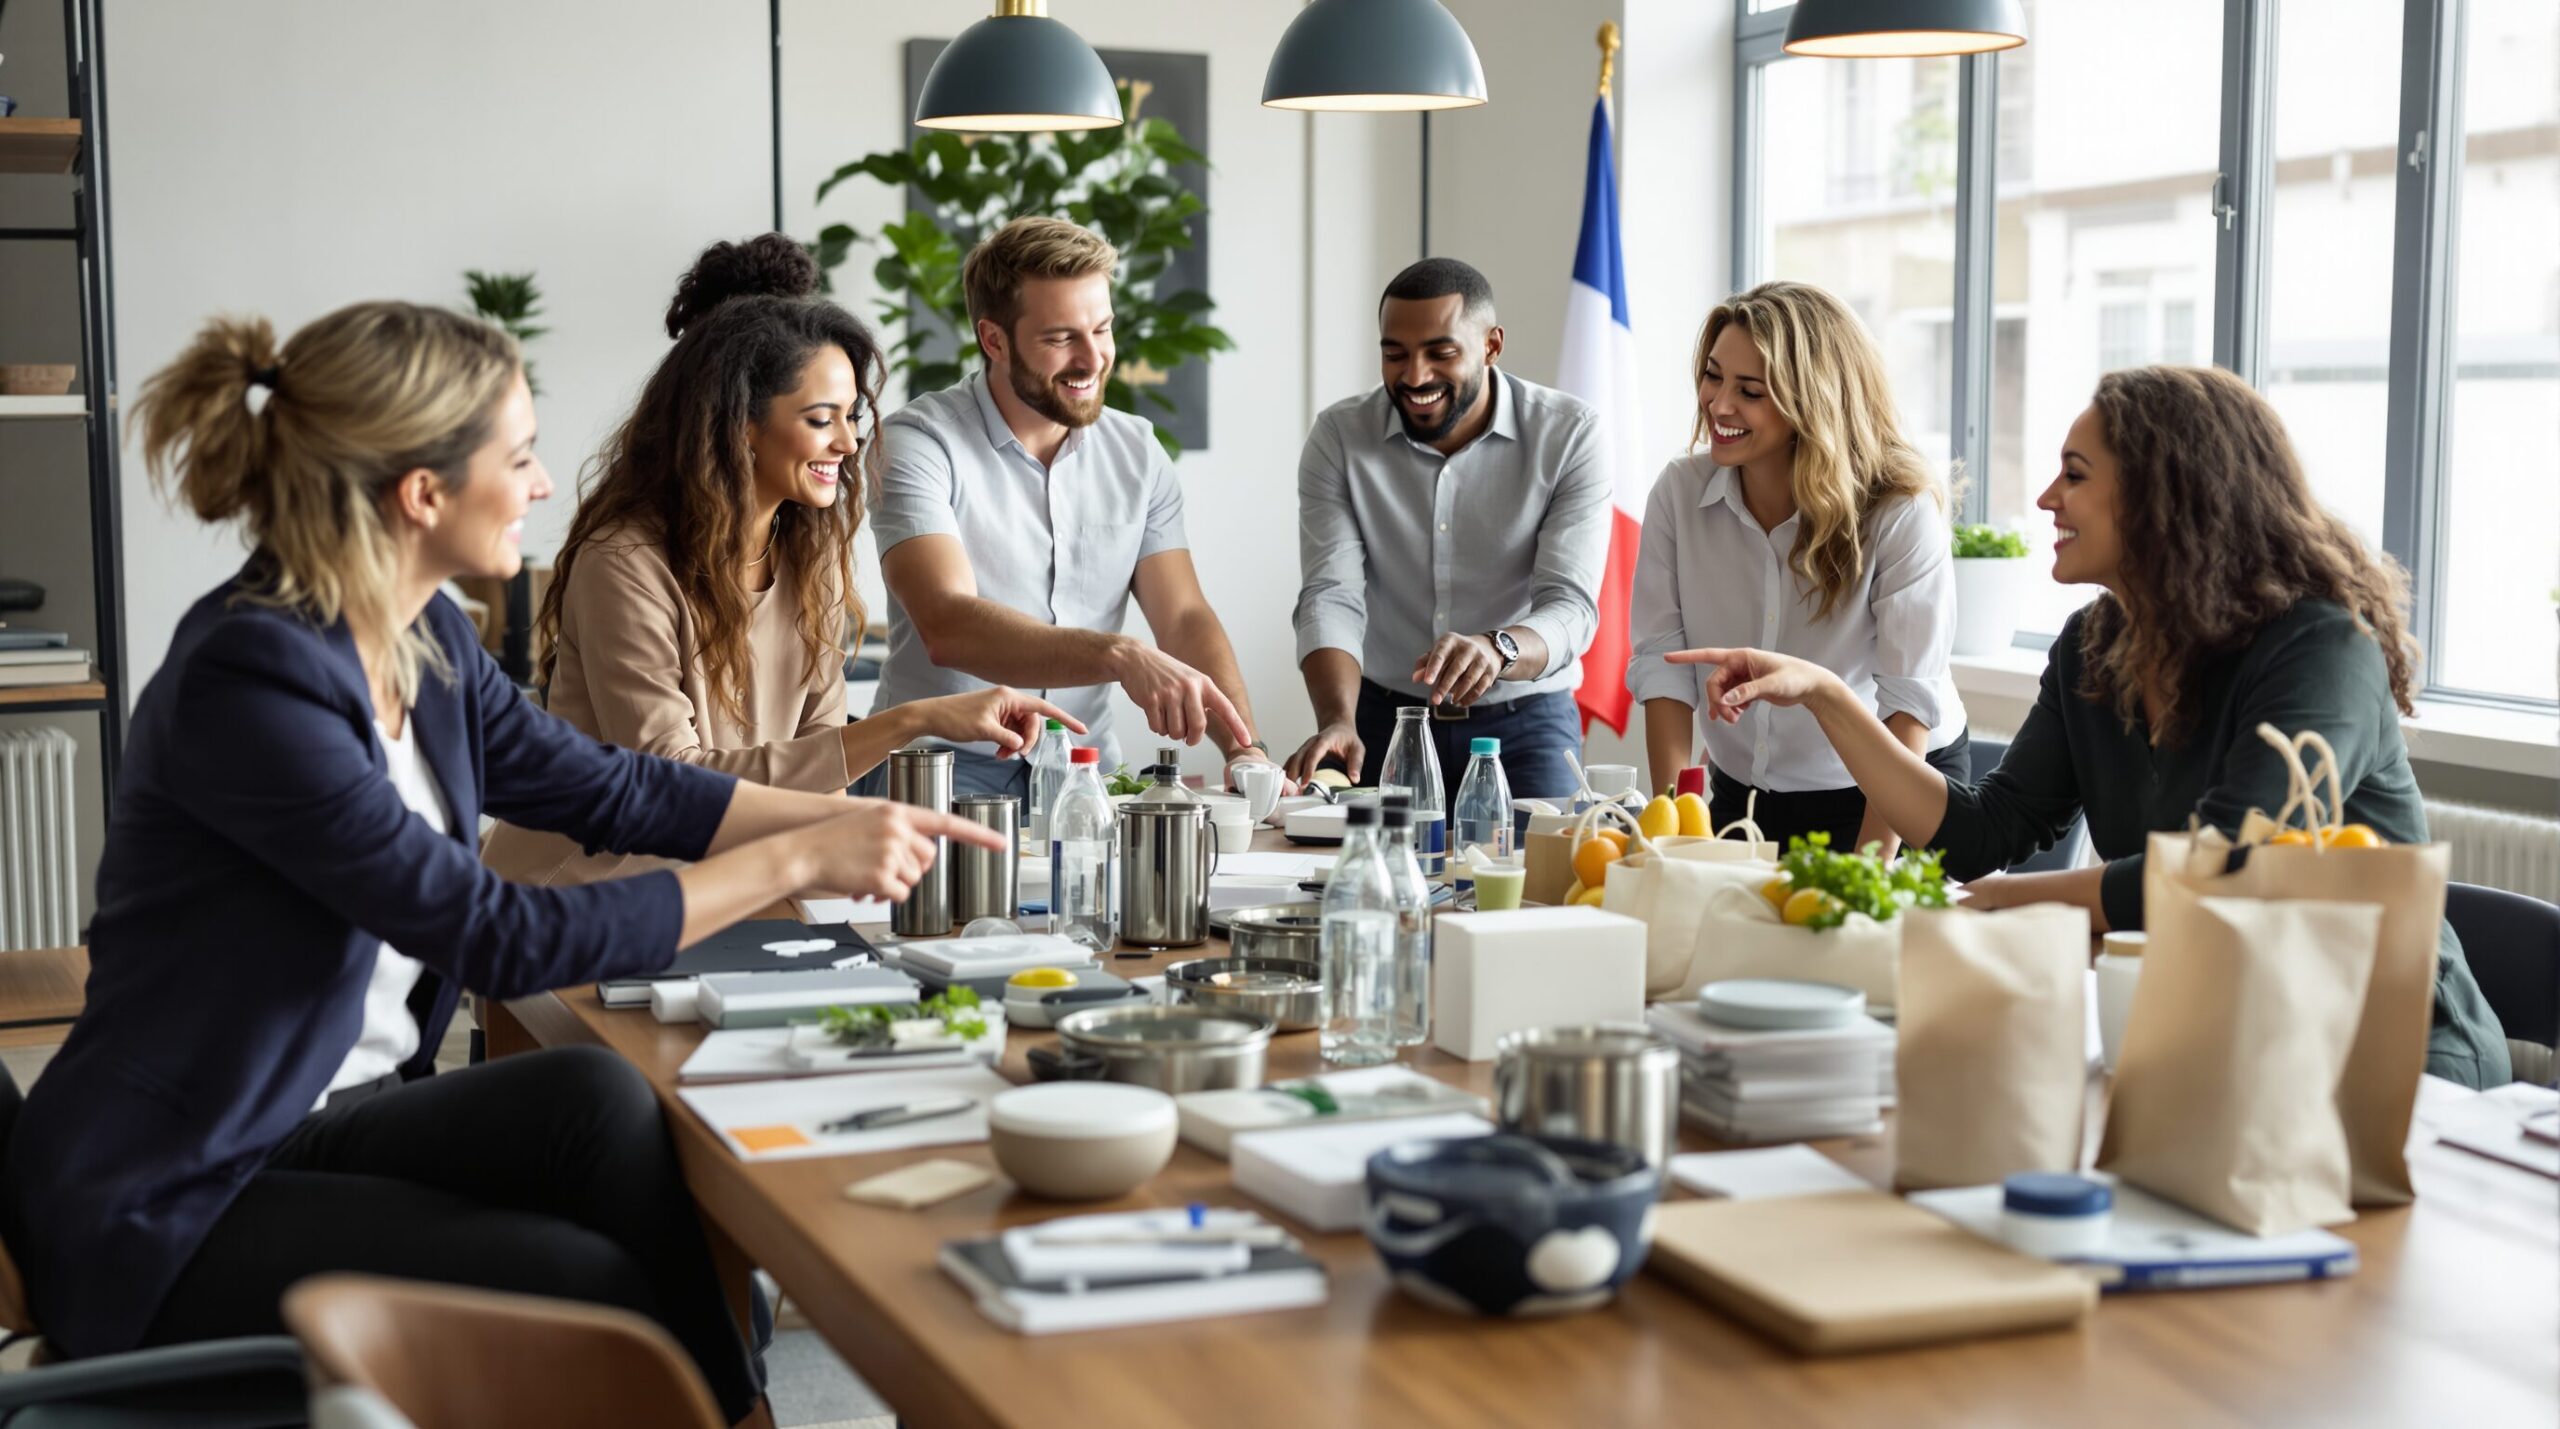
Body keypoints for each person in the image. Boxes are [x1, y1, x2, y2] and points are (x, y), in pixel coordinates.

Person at [0, 301, 1004, 1425]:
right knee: (589, 1287)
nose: (539, 487)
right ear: (421, 494)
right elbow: (496, 932)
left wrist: (839, 809)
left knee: (600, 1100)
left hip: (325, 1117)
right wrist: (797, 855)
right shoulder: (256, 677)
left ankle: (735, 1416)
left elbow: (612, 787)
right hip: (175, 1193)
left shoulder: (421, 639)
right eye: (518, 457)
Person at [1671, 364, 2508, 1087]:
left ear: (2163, 495)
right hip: (2238, 1032)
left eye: (2074, 474)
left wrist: (2004, 902)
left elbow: (2227, 866)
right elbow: (1979, 831)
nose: (2045, 498)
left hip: (2398, 1049)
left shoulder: (2322, 648)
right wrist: (1827, 695)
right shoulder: (2092, 646)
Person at [482, 235, 1079, 885]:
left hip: (728, 887)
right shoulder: (623, 563)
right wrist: (913, 720)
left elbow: (817, 757)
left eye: (851, 415)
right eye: (823, 419)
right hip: (578, 899)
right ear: (741, 423)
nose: (850, 442)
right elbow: (668, 782)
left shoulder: (805, 556)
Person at [868, 216, 1275, 799]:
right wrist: (1120, 654)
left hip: (1085, 776)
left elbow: (1183, 616)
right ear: (994, 340)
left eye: (1102, 330)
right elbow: (947, 622)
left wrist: (1244, 748)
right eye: (1061, 339)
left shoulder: (1136, 451)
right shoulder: (917, 442)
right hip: (936, 774)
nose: (1092, 359)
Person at [1627, 281, 1970, 855]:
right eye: (1713, 376)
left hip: (1895, 790)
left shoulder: (1898, 510)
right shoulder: (1679, 493)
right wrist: (1675, 826)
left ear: (1813, 401)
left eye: (1751, 391)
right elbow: (1663, 667)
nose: (1719, 405)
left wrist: (1867, 873)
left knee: (1857, 940)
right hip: (1745, 794)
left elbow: (1909, 705)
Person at [1286, 258, 1610, 803]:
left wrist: (1498, 648)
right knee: (1374, 883)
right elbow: (1331, 594)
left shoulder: (1569, 436)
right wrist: (1338, 719)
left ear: (1491, 346)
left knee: (1541, 883)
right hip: (1383, 721)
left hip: (1527, 719)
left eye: (1441, 352)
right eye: (1395, 354)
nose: (1414, 376)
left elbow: (1571, 606)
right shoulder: (1339, 437)